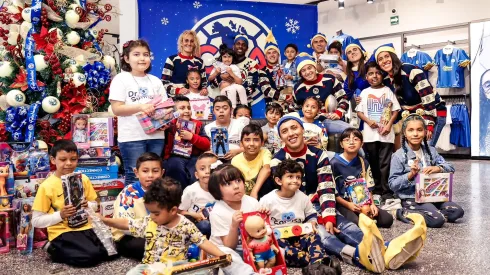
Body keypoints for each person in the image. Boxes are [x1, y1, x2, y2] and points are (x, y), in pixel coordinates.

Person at [270, 115, 427, 273]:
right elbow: (285, 196)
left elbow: (326, 188)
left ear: (302, 130)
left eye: (294, 128)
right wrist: (317, 219)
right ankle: (357, 256)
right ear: (281, 137)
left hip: (319, 204)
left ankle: (385, 248)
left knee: (346, 226)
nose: (291, 133)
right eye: (284, 131)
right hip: (295, 212)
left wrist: (328, 216)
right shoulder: (277, 160)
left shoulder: (318, 154)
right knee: (323, 235)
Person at [100, 177, 225, 275]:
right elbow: (127, 223)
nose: (152, 216)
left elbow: (203, 242)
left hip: (178, 267)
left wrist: (222, 256)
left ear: (173, 210)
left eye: (156, 213)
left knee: (201, 273)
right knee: (132, 273)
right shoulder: (149, 221)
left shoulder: (186, 224)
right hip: (150, 267)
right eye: (150, 212)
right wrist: (105, 220)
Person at [31, 140, 108, 267]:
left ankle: (78, 248)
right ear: (53, 160)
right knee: (90, 257)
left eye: (73, 159)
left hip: (85, 226)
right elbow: (36, 221)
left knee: (110, 252)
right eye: (63, 159)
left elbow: (94, 204)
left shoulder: (83, 179)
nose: (69, 163)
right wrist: (60, 215)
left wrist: (88, 205)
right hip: (62, 231)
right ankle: (53, 248)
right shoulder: (46, 186)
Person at [260, 159, 341, 272]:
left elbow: (311, 213)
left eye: (298, 177)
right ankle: (316, 262)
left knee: (314, 237)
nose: (295, 180)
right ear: (279, 181)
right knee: (282, 250)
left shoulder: (302, 197)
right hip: (279, 237)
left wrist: (312, 222)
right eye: (290, 176)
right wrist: (262, 214)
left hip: (299, 234)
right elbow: (259, 222)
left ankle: (317, 264)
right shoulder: (267, 200)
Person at [389, 114, 464, 228]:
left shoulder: (431, 151)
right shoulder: (398, 156)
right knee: (437, 220)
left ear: (425, 132)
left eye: (419, 130)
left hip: (434, 196)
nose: (415, 134)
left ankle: (432, 211)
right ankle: (401, 212)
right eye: (411, 130)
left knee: (457, 211)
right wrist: (410, 175)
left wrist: (438, 168)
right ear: (405, 133)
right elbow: (392, 184)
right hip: (412, 198)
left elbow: (450, 167)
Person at [109, 40, 168, 186]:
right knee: (134, 176)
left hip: (156, 136)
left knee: (154, 177)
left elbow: (165, 107)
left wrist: (165, 121)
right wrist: (141, 107)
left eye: (146, 55)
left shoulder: (155, 81)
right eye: (136, 54)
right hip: (132, 137)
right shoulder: (121, 79)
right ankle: (130, 208)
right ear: (127, 58)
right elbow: (117, 109)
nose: (142, 58)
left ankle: (152, 207)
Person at [372, 43, 446, 149]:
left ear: (393, 57)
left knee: (427, 149)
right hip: (412, 117)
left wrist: (429, 123)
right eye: (380, 59)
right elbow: (390, 104)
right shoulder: (386, 80)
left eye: (387, 56)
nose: (384, 61)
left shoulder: (411, 70)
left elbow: (428, 97)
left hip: (434, 112)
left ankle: (436, 166)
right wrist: (384, 123)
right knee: (413, 151)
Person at [207, 164, 266, 275]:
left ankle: (265, 269)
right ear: (217, 191)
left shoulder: (252, 202)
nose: (236, 186)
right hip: (230, 249)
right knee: (226, 255)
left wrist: (264, 217)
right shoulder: (217, 212)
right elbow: (229, 246)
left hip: (251, 247)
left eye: (238, 181)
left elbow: (263, 231)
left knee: (277, 250)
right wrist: (234, 226)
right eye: (228, 184)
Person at [331, 128, 394, 228]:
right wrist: (348, 205)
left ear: (361, 144)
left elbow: (369, 187)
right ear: (341, 144)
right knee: (357, 224)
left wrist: (372, 204)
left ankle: (366, 217)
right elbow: (332, 192)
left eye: (356, 139)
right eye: (347, 140)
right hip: (343, 203)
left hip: (362, 201)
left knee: (387, 220)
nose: (351, 142)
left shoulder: (363, 162)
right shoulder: (334, 163)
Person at [356, 62, 400, 201]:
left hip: (386, 135)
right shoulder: (365, 92)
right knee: (373, 162)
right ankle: (376, 189)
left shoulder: (388, 91)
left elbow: (395, 111)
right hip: (369, 135)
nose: (374, 76)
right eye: (370, 73)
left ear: (382, 75)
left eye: (377, 73)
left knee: (385, 163)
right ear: (366, 77)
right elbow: (359, 112)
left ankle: (386, 190)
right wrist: (368, 122)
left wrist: (388, 126)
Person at [113, 152, 164, 260]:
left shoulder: (165, 190)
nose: (150, 175)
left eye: (155, 171)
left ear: (162, 172)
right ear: (136, 172)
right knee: (145, 246)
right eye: (145, 171)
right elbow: (126, 227)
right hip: (131, 235)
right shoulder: (128, 194)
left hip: (159, 230)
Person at [293, 53, 352, 134]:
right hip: (308, 124)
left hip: (328, 119)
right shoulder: (297, 88)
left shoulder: (330, 79)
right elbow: (294, 109)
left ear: (314, 67)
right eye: (303, 70)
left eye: (309, 68)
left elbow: (343, 98)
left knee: (351, 131)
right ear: (300, 74)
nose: (307, 72)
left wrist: (339, 112)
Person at [163, 95, 210, 189]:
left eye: (189, 108)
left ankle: (194, 195)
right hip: (175, 156)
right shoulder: (169, 124)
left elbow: (206, 144)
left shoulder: (198, 124)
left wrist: (192, 137)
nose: (187, 111)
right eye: (182, 108)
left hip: (194, 157)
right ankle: (180, 196)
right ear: (174, 112)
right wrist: (171, 128)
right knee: (175, 168)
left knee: (195, 173)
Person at [178, 153, 220, 239]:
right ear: (196, 175)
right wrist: (195, 215)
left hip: (217, 224)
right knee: (205, 225)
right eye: (202, 168)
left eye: (211, 168)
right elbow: (179, 212)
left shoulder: (222, 190)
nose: (207, 171)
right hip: (196, 224)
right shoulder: (191, 191)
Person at [161, 30, 208, 97]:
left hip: (195, 101)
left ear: (195, 44)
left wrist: (204, 90)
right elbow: (164, 83)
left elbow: (204, 83)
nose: (189, 43)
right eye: (186, 40)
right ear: (181, 43)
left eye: (192, 41)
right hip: (177, 101)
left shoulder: (200, 62)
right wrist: (178, 90)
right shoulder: (171, 60)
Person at [231, 124, 272, 199]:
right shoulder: (235, 160)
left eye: (256, 140)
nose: (252, 144)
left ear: (262, 143)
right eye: (247, 140)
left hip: (261, 194)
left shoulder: (264, 152)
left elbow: (267, 169)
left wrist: (254, 191)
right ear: (241, 143)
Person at [204, 96, 249, 162]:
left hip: (236, 159)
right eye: (217, 109)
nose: (221, 111)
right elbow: (205, 150)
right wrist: (210, 153)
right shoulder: (207, 128)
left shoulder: (239, 125)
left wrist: (236, 152)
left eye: (225, 108)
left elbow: (246, 147)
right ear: (213, 111)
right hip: (214, 160)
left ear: (231, 110)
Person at [258, 30, 291, 107]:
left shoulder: (286, 68)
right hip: (272, 107)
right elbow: (266, 90)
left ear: (278, 54)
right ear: (265, 56)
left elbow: (291, 85)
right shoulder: (262, 71)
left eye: (274, 52)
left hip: (289, 106)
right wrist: (285, 97)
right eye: (269, 53)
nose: (272, 55)